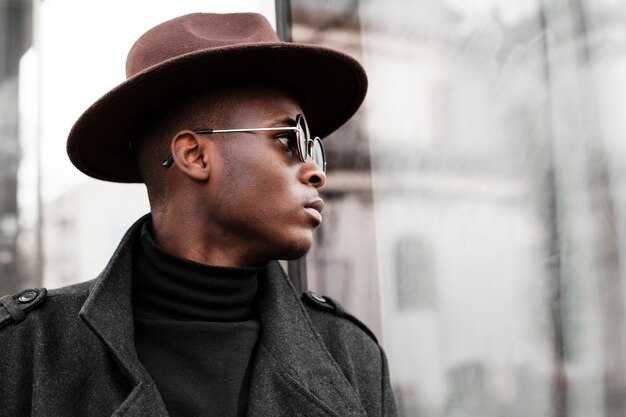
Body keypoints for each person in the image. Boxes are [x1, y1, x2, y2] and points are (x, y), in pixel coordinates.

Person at [0, 12, 397, 417]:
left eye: (313, 148)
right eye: (288, 140)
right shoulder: (24, 351)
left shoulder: (351, 356)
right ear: (195, 155)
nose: (315, 170)